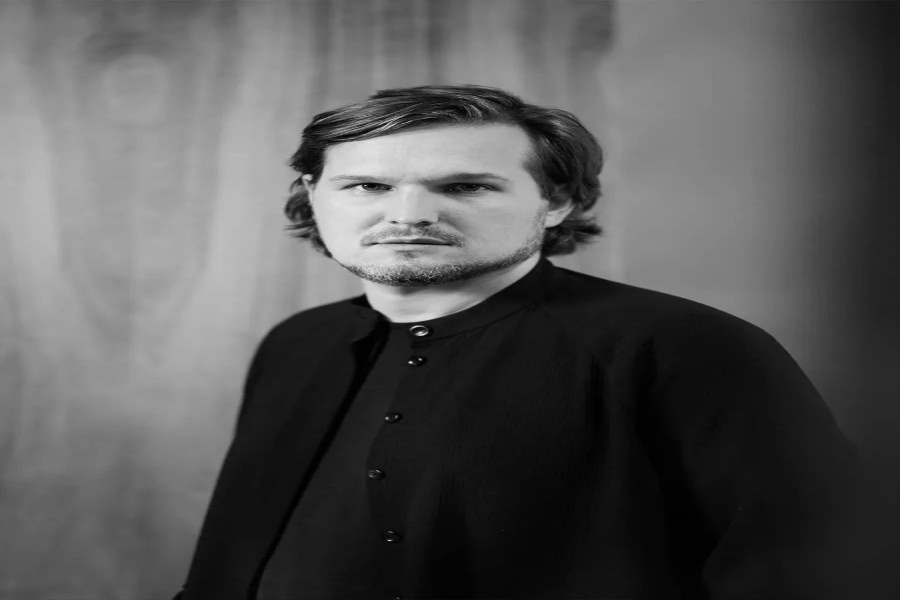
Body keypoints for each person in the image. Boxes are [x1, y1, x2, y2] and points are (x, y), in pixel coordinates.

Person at [175, 85, 857, 600]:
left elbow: (810, 571)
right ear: (314, 194)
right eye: (368, 185)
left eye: (465, 186)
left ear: (556, 200)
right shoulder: (297, 343)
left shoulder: (687, 345)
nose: (409, 214)